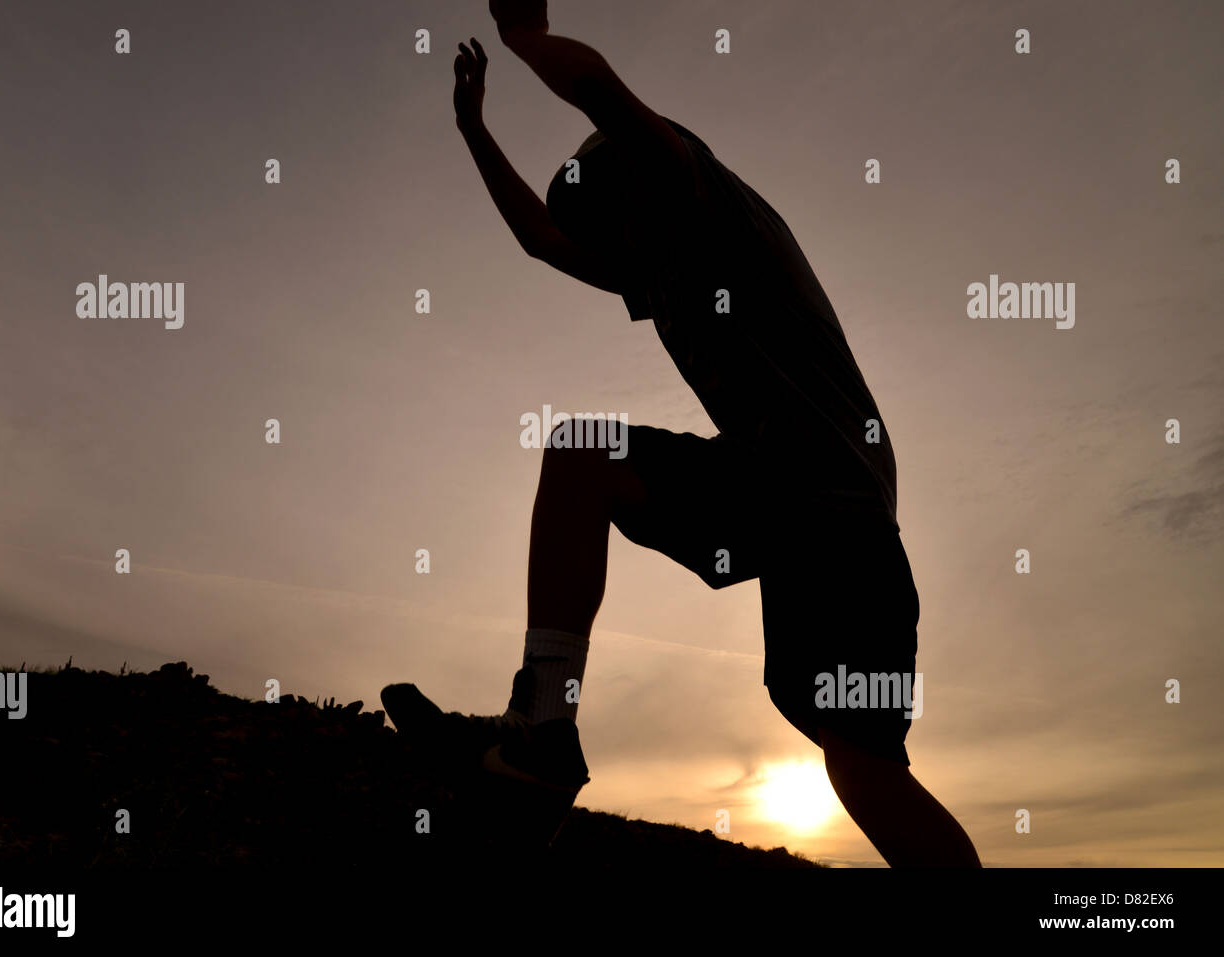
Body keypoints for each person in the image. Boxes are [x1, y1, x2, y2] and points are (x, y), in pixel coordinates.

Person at [382, 2, 981, 867]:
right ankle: (540, 727)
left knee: (583, 457)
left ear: (632, 185)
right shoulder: (661, 262)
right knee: (862, 767)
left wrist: (521, 41)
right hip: (832, 522)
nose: (612, 249)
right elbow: (541, 241)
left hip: (810, 485)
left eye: (614, 222)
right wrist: (474, 132)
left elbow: (599, 94)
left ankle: (545, 724)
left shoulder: (700, 199)